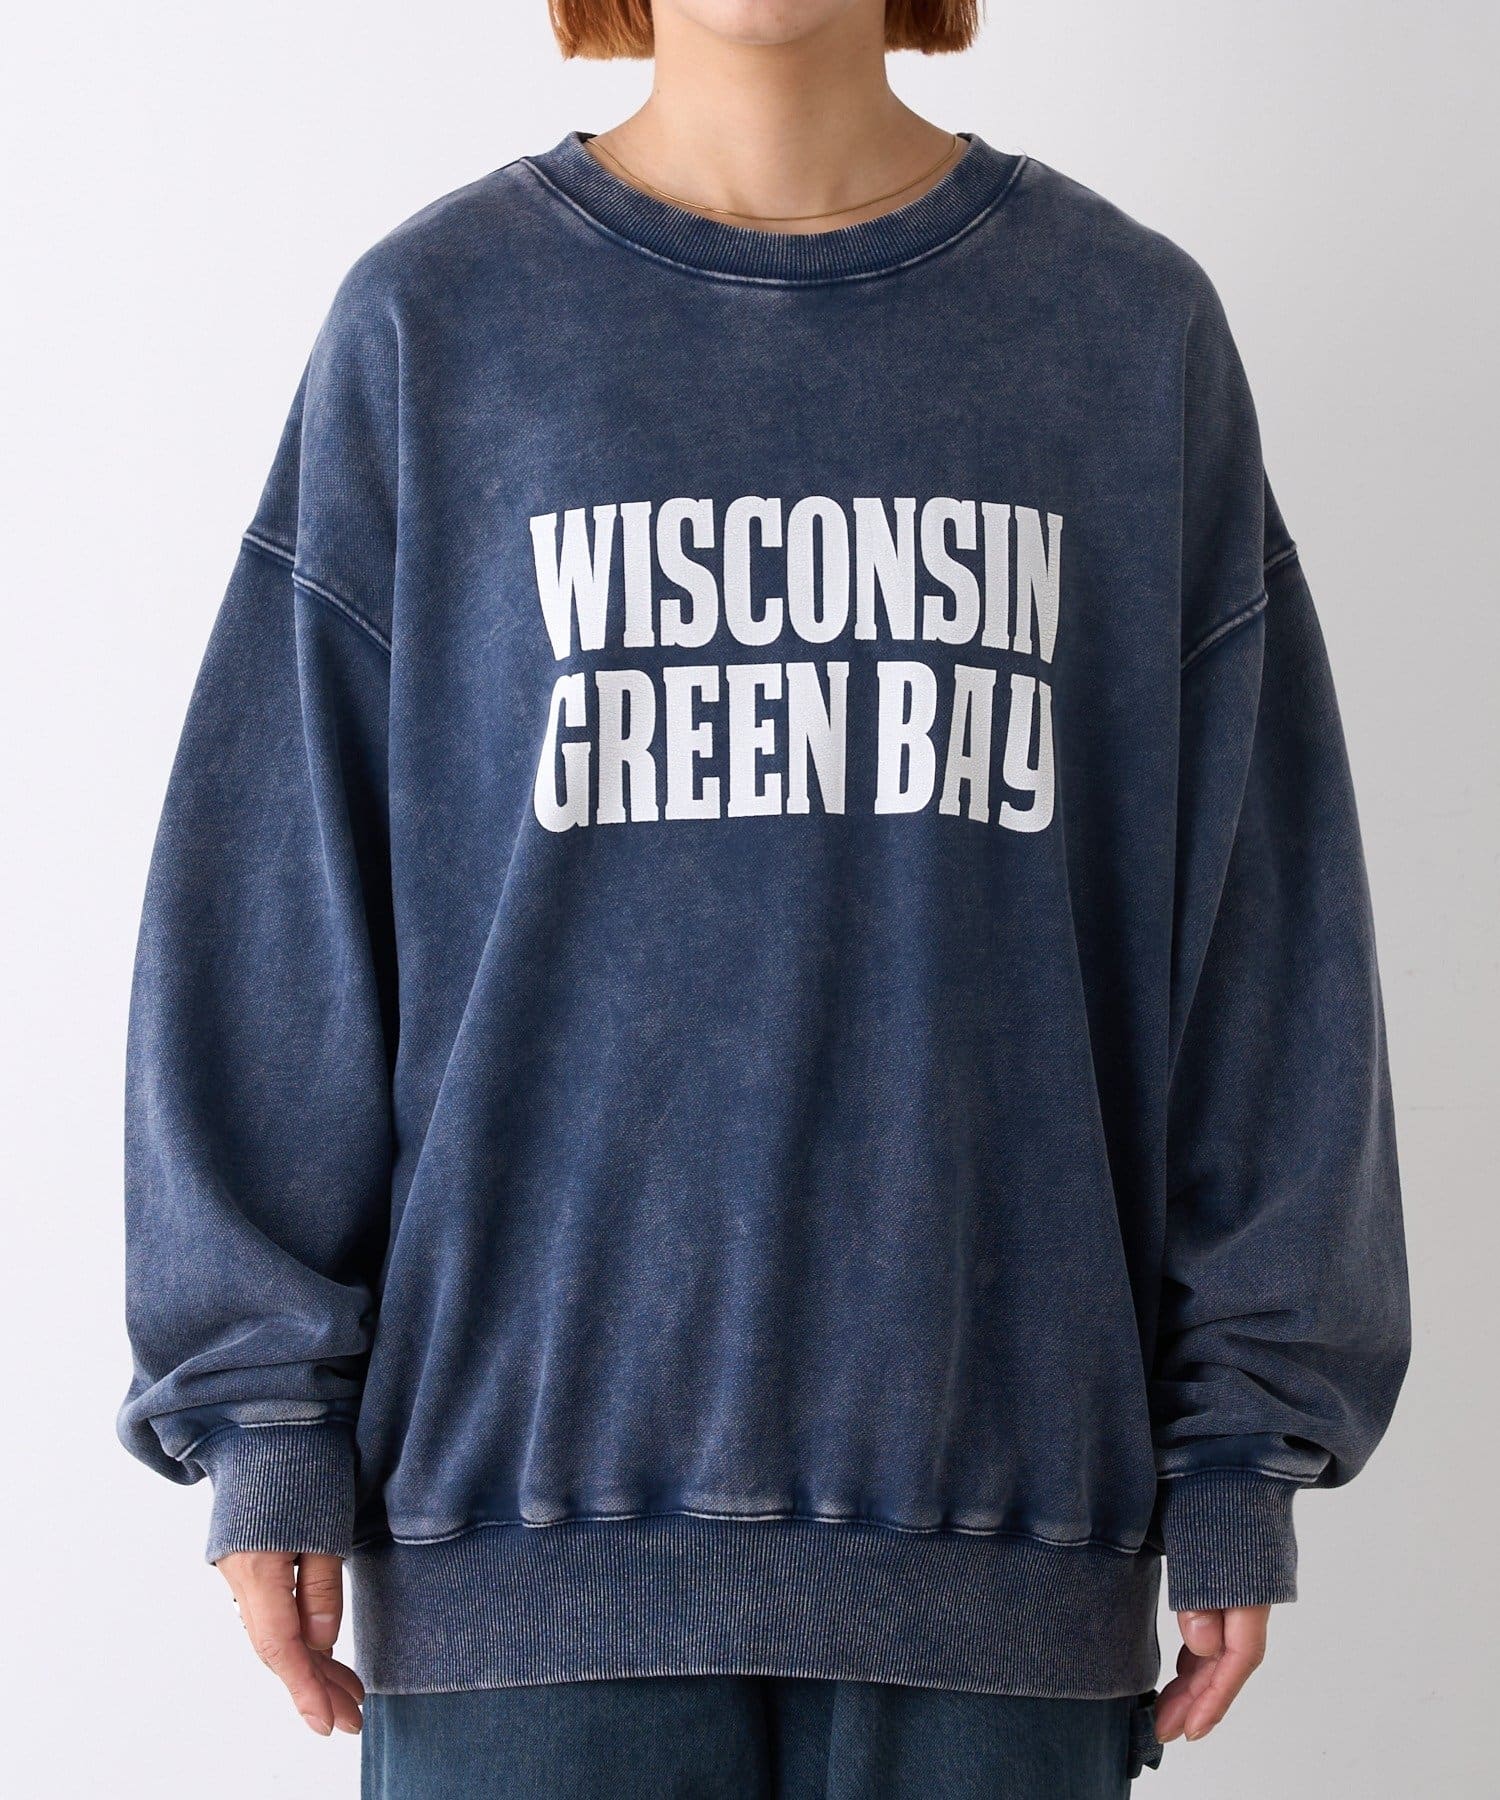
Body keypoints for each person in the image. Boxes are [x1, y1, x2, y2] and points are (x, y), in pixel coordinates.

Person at [117, 2, 1411, 1794]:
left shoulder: (1125, 334)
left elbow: (1266, 935)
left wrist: (1244, 1445)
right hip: (519, 1552)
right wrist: (264, 1419)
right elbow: (275, 911)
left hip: (1003, 1544)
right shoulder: (435, 326)